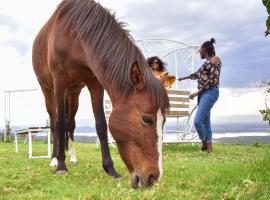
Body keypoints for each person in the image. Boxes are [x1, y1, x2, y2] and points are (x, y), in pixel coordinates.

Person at [178, 38, 221, 153]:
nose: (199, 52)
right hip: (203, 93)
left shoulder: (215, 59)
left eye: (200, 50)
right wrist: (184, 78)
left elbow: (213, 79)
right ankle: (209, 151)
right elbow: (197, 74)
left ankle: (203, 143)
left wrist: (198, 92)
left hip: (211, 92)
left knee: (197, 121)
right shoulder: (205, 63)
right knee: (206, 122)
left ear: (205, 49)